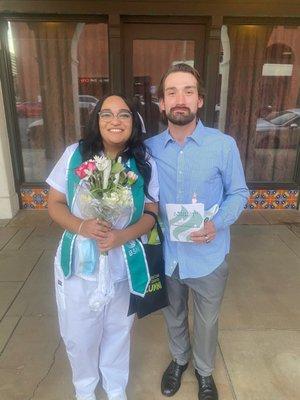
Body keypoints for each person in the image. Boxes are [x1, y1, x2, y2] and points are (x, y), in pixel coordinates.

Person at [146, 63, 249, 400]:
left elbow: (238, 193)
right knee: (173, 312)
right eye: (171, 92)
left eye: (188, 91)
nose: (180, 99)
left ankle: (204, 372)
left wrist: (216, 224)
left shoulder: (223, 145)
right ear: (161, 103)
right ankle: (179, 360)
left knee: (206, 320)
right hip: (169, 254)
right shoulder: (148, 150)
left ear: (200, 100)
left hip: (208, 253)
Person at [46, 94, 159, 400]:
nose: (115, 121)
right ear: (96, 121)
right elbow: (54, 203)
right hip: (79, 261)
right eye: (106, 114)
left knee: (118, 330)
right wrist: (82, 226)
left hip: (122, 260)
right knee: (79, 332)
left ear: (133, 122)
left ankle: (115, 387)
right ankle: (84, 389)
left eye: (124, 115)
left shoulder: (143, 162)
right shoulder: (75, 155)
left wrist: (123, 236)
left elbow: (151, 212)